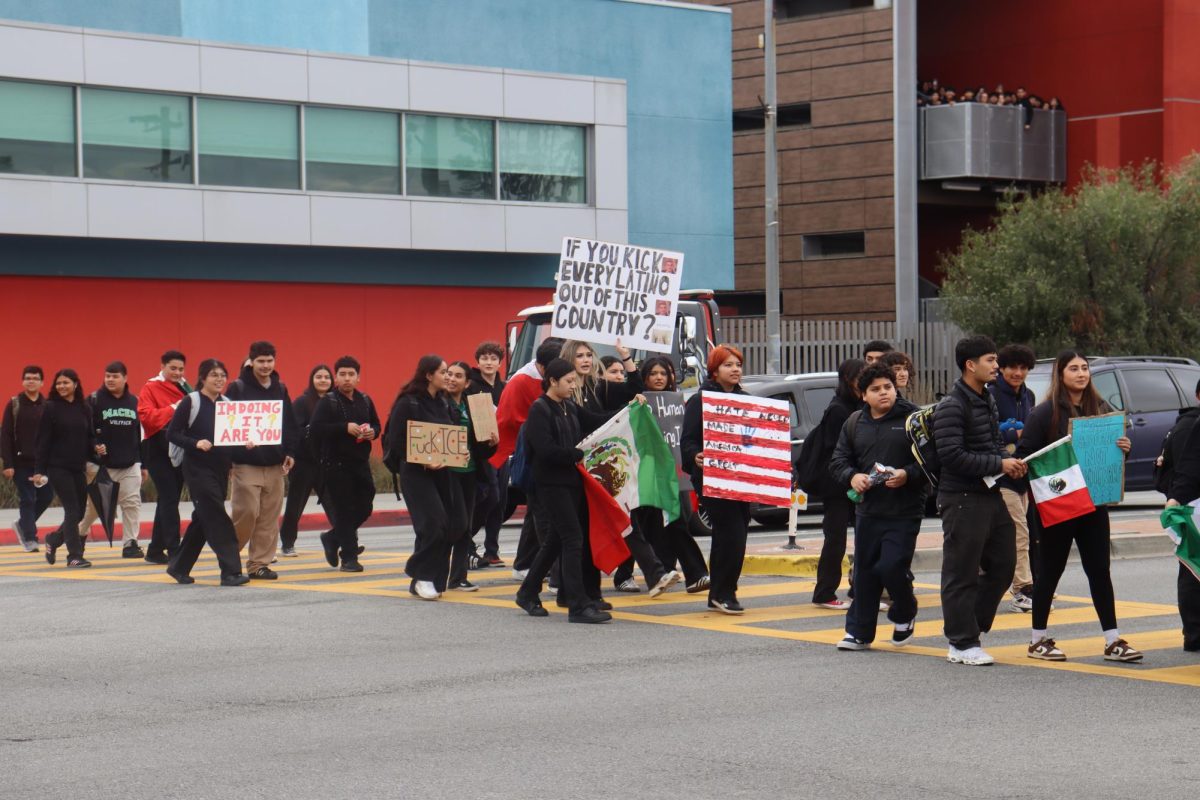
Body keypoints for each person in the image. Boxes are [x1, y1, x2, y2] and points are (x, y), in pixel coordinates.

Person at [1018, 351, 1142, 662]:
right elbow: (1025, 456)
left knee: (1100, 570)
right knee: (1050, 571)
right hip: (1058, 504)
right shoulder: (1044, 413)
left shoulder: (1100, 410)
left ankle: (1113, 641)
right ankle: (1037, 640)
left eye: (1084, 368)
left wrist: (1124, 449)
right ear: (1060, 375)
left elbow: (1113, 451)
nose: (1081, 373)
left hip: (1094, 502)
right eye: (1073, 368)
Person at [934, 335, 1027, 666]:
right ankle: (961, 642)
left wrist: (1007, 461)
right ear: (970, 365)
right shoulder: (951, 406)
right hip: (960, 498)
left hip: (990, 493)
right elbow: (952, 455)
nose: (997, 366)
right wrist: (998, 463)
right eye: (990, 360)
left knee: (1004, 565)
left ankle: (968, 628)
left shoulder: (986, 398)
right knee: (961, 572)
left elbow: (993, 442)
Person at [830, 364, 926, 650]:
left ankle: (904, 612)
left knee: (892, 566)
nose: (883, 393)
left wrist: (907, 474)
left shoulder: (914, 419)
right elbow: (838, 461)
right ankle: (859, 632)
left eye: (887, 387)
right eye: (875, 389)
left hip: (905, 510)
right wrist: (853, 476)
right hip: (868, 512)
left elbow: (932, 461)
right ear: (863, 395)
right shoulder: (854, 423)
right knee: (865, 573)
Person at [514, 358, 615, 623]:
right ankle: (578, 605)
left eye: (575, 381)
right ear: (552, 382)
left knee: (555, 542)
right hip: (551, 486)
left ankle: (527, 593)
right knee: (572, 539)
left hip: (571, 483)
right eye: (569, 381)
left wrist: (630, 410)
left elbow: (597, 421)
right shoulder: (540, 409)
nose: (574, 385)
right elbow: (545, 449)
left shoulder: (569, 406)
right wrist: (576, 454)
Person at [681, 345, 753, 615]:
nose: (735, 369)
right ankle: (724, 592)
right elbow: (687, 440)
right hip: (713, 477)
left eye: (737, 364)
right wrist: (695, 456)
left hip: (742, 478)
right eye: (728, 365)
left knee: (737, 533)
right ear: (714, 370)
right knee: (730, 533)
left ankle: (720, 592)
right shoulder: (700, 401)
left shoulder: (746, 400)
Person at [386, 355, 465, 599]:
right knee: (433, 525)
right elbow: (395, 442)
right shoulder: (408, 403)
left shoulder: (443, 403)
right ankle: (421, 575)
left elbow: (452, 435)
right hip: (416, 473)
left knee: (455, 525)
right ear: (428, 375)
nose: (448, 377)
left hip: (443, 472)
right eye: (443, 372)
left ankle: (428, 578)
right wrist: (424, 460)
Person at [164, 359, 248, 586]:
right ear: (203, 378)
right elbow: (172, 434)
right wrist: (195, 443)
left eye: (222, 375)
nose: (219, 379)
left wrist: (246, 442)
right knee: (218, 516)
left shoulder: (228, 404)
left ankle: (178, 566)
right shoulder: (190, 402)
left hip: (221, 469)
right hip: (197, 469)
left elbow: (231, 438)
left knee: (203, 518)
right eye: (214, 375)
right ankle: (230, 571)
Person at [635, 355, 710, 594]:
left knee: (675, 521)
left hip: (673, 475)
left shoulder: (679, 403)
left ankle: (692, 573)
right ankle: (665, 571)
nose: (659, 378)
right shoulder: (637, 402)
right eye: (654, 374)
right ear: (644, 377)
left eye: (663, 374)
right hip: (646, 473)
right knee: (653, 524)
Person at [225, 341, 299, 580]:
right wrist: (234, 449)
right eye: (261, 361)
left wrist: (290, 452)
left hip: (275, 464)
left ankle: (259, 565)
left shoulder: (280, 388)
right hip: (245, 463)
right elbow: (227, 423)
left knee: (268, 517)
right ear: (251, 361)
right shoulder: (237, 388)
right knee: (246, 512)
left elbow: (289, 423)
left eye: (269, 361)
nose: (265, 365)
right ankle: (229, 557)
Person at [492, 338, 564, 579]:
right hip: (524, 453)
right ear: (545, 368)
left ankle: (523, 564)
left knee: (536, 512)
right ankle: (553, 572)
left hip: (542, 453)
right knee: (544, 515)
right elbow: (508, 419)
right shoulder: (521, 380)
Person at [310, 356, 380, 573]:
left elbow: (377, 425)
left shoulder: (365, 400)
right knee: (344, 511)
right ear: (336, 378)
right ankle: (349, 558)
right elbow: (315, 429)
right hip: (335, 465)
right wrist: (343, 427)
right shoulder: (328, 401)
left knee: (365, 506)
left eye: (351, 375)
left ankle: (332, 538)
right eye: (342, 374)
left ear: (358, 378)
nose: (347, 379)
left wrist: (373, 433)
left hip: (360, 463)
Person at [809, 358, 866, 611]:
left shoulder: (858, 405)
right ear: (847, 378)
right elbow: (837, 451)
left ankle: (859, 590)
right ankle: (824, 592)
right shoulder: (839, 410)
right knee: (836, 539)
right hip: (837, 485)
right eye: (861, 375)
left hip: (854, 481)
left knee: (864, 537)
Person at [988, 343, 1038, 612]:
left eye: (1023, 367)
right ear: (1001, 368)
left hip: (1024, 474)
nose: (1017, 372)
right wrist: (1013, 434)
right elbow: (985, 432)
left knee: (1009, 535)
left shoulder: (1028, 395)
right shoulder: (991, 394)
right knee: (1020, 532)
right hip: (999, 475)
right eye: (1012, 367)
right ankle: (1022, 589)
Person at [79, 361, 143, 559]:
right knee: (96, 509)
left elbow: (138, 434)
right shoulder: (94, 400)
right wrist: (94, 447)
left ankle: (130, 544)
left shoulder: (134, 401)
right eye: (107, 376)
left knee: (132, 502)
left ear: (125, 378)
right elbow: (84, 431)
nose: (110, 379)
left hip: (129, 464)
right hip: (101, 466)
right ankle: (80, 533)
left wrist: (142, 463)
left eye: (115, 376)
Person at [445, 360, 498, 592]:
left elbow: (483, 448)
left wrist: (492, 444)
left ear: (467, 383)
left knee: (465, 525)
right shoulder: (438, 405)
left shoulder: (473, 406)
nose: (451, 379)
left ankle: (458, 577)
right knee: (449, 525)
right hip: (446, 473)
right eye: (448, 374)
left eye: (457, 376)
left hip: (470, 473)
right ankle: (434, 572)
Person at [32, 369, 93, 568]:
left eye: (66, 382)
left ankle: (54, 539)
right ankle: (74, 556)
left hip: (78, 467)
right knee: (72, 509)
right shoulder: (50, 408)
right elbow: (43, 441)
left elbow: (89, 437)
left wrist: (97, 449)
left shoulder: (84, 407)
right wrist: (39, 470)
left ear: (75, 384)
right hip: (57, 467)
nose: (62, 386)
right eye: (58, 383)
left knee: (80, 512)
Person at [138, 350, 191, 564]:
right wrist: (173, 409)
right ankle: (174, 548)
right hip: (158, 449)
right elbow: (147, 418)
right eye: (173, 368)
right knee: (169, 499)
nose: (177, 373)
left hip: (178, 448)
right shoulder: (150, 387)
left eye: (180, 369)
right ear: (162, 366)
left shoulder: (186, 387)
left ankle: (154, 550)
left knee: (167, 499)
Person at [279, 364, 334, 557]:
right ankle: (287, 543)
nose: (323, 380)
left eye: (327, 377)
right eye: (319, 377)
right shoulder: (302, 402)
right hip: (303, 463)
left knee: (334, 504)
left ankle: (344, 541)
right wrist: (312, 430)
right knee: (295, 504)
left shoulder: (335, 401)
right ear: (312, 380)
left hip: (327, 464)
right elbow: (293, 431)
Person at [1, 366, 53, 552]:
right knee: (28, 498)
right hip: (21, 463)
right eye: (28, 378)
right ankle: (30, 538)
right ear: (23, 381)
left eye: (35, 378)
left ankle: (23, 524)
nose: (31, 381)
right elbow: (5, 435)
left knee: (47, 496)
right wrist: (8, 463)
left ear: (42, 382)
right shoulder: (14, 404)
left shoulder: (47, 406)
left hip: (43, 464)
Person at [466, 341, 508, 568]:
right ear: (478, 361)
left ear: (500, 362)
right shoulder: (470, 385)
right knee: (488, 497)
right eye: (484, 358)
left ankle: (492, 549)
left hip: (504, 449)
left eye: (493, 358)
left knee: (500, 500)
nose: (489, 362)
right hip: (482, 451)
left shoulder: (505, 387)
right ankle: (465, 541)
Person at [1166, 379, 1200, 653]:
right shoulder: (1192, 426)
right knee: (1192, 570)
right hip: (1196, 509)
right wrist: (1175, 499)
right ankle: (1194, 632)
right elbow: (1188, 468)